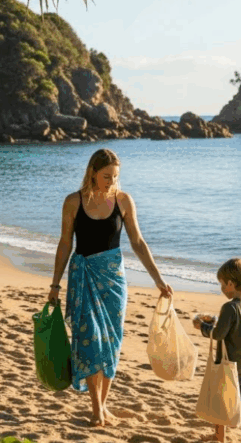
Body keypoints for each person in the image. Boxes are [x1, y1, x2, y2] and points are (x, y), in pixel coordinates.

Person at [48, 148, 173, 427]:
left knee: (112, 344)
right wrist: (55, 284)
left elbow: (138, 243)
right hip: (84, 277)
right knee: (91, 340)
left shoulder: (124, 201)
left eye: (116, 176)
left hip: (114, 281)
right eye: (107, 176)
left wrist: (158, 279)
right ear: (93, 172)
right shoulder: (73, 202)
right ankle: (96, 410)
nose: (112, 181)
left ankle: (104, 406)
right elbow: (65, 244)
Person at [193, 258, 241, 443]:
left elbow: (219, 334)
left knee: (220, 401)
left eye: (222, 284)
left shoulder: (229, 307)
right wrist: (216, 320)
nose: (222, 288)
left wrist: (202, 326)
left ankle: (219, 436)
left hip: (230, 364)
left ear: (231, 283)